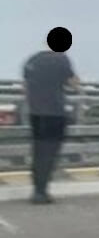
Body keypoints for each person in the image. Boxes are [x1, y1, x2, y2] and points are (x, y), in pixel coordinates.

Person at [22, 35, 80, 204]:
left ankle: (37, 190)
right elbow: (74, 84)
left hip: (36, 112)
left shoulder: (32, 60)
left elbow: (25, 87)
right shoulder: (62, 60)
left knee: (38, 151)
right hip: (55, 113)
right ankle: (43, 191)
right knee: (51, 152)